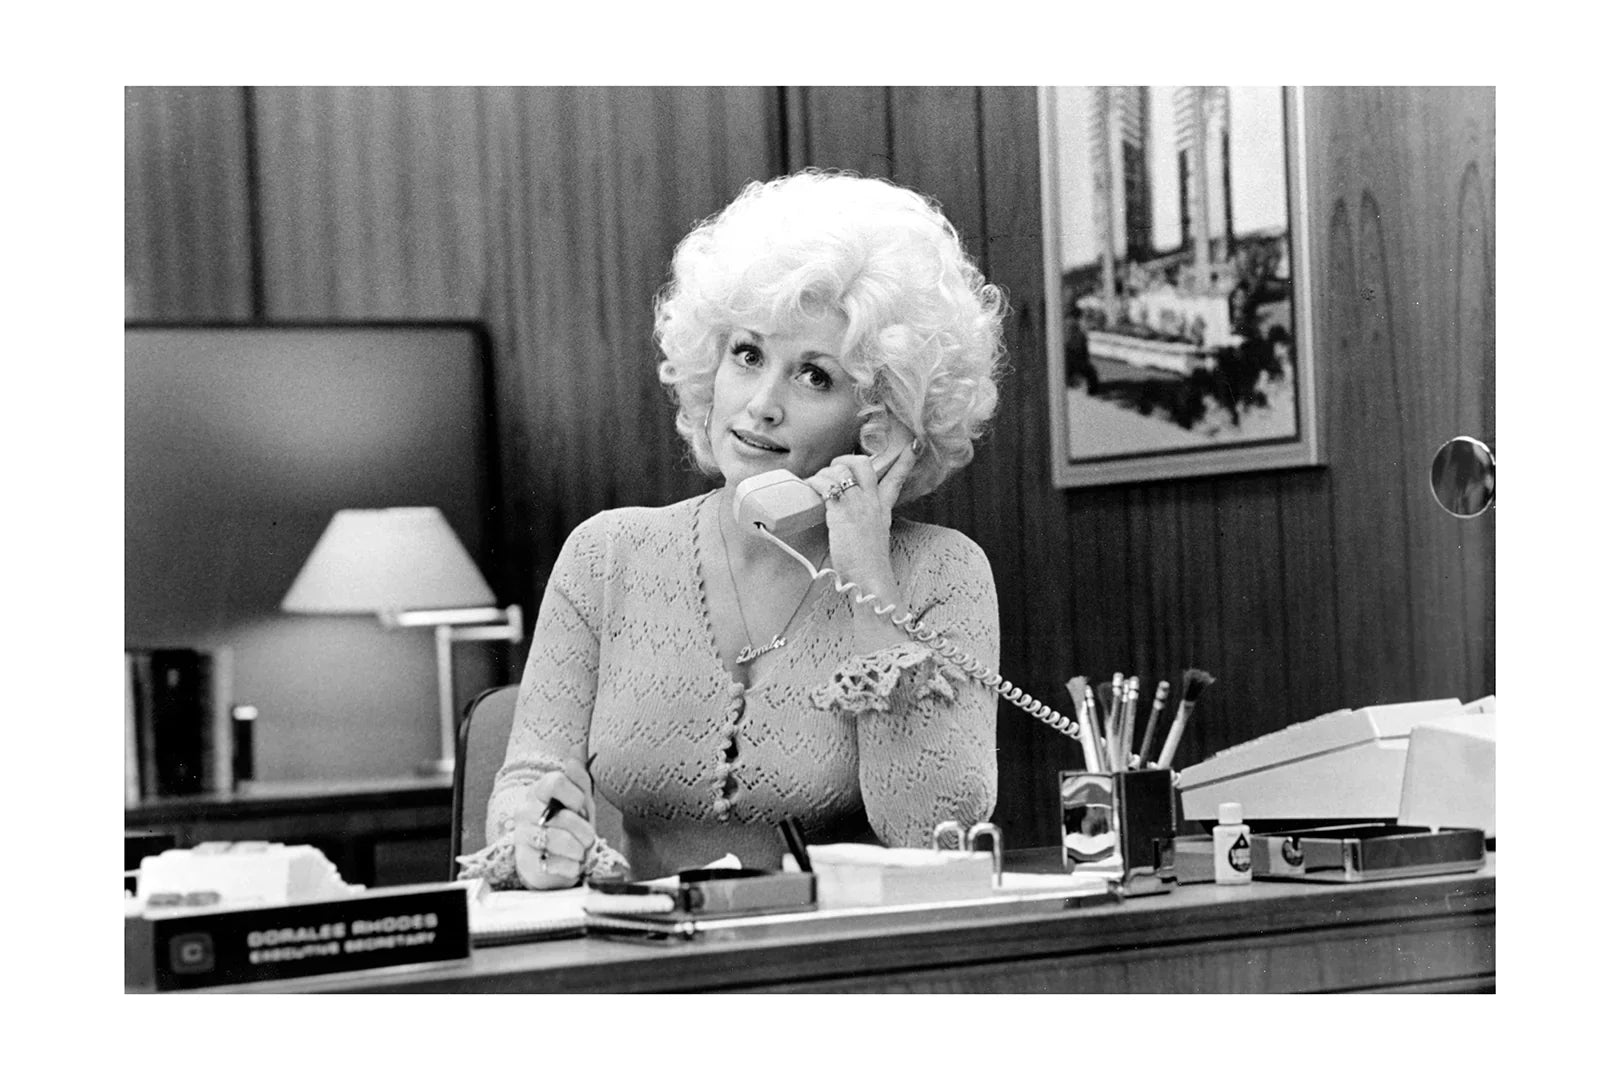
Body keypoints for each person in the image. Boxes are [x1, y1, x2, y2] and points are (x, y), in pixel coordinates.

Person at [457, 169, 1008, 890]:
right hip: (647, 962)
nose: (762, 405)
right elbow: (533, 776)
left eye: (814, 376)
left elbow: (935, 833)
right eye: (747, 355)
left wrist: (870, 581)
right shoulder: (607, 556)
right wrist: (540, 829)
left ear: (883, 422)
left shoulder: (942, 574)